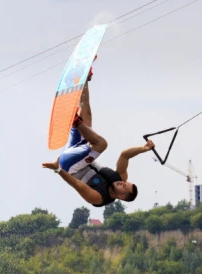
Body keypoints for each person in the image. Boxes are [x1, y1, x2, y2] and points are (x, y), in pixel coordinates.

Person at [42, 70, 154, 207]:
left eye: (123, 187)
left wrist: (57, 169)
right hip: (78, 151)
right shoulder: (120, 177)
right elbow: (125, 155)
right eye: (125, 183)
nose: (122, 183)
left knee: (101, 144)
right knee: (87, 114)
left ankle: (76, 122)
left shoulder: (98, 198)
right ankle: (84, 80)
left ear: (120, 196)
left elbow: (75, 183)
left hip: (69, 166)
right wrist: (144, 148)